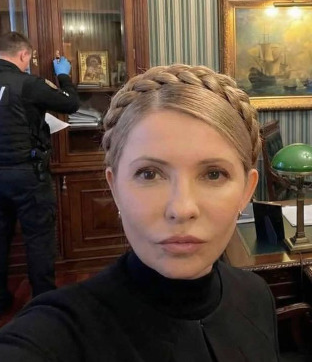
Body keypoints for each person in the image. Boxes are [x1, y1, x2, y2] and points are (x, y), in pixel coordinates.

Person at [0, 64, 280, 361]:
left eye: (213, 174)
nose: (181, 209)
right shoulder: (56, 334)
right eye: (149, 174)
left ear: (247, 191)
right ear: (115, 187)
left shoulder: (257, 296)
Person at [0, 31, 79, 314]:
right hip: (28, 175)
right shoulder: (28, 84)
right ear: (23, 54)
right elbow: (71, 103)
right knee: (39, 238)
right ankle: (43, 304)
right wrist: (64, 75)